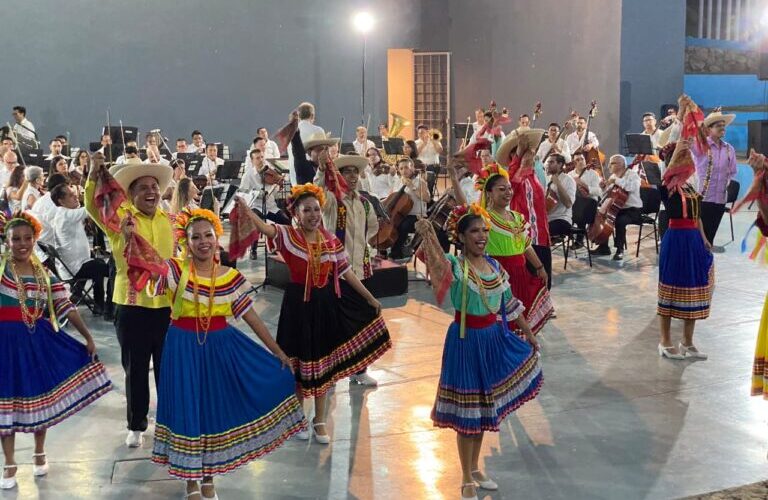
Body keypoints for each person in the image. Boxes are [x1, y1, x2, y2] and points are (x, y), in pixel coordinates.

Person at [145, 209, 305, 499]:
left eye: (208, 235)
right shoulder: (176, 270)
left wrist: (278, 351)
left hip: (220, 348)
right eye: (196, 237)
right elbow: (149, 274)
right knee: (189, 408)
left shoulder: (230, 277)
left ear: (217, 237)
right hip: (182, 348)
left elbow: (253, 319)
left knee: (212, 409)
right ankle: (191, 481)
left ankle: (209, 476)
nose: (203, 241)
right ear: (186, 241)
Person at [235, 184, 392, 443]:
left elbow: (345, 272)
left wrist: (369, 297)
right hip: (297, 307)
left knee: (322, 364)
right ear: (296, 213)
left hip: (325, 306)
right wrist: (246, 210)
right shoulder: (287, 235)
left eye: (316, 209)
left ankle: (320, 420)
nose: (313, 214)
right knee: (297, 363)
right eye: (306, 210)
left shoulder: (330, 241)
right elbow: (264, 228)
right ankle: (298, 417)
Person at [413, 204, 542, 500]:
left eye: (484, 231)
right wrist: (428, 234)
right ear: (461, 236)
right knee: (468, 413)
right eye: (474, 231)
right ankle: (465, 476)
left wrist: (530, 333)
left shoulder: (495, 267)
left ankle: (474, 467)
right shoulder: (455, 266)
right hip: (466, 341)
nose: (482, 236)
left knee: (484, 409)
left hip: (492, 338)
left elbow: (509, 304)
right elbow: (433, 261)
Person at [0, 211, 111, 490]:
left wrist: (87, 336)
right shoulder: (1, 270)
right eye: (16, 239)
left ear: (35, 238)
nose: (22, 243)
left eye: (27, 238)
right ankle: (9, 462)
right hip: (5, 344)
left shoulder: (44, 274)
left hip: (39, 341)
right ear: (7, 240)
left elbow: (66, 306)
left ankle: (39, 452)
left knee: (41, 397)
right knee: (6, 404)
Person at [85, 152, 174, 448]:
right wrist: (93, 173)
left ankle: (170, 422)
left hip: (167, 306)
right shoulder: (119, 220)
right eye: (143, 188)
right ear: (131, 195)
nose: (151, 192)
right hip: (131, 305)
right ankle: (136, 424)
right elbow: (92, 206)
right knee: (135, 368)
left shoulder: (169, 221)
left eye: (154, 187)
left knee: (167, 368)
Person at [450, 161, 553, 335]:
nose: (508, 193)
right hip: (498, 273)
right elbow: (464, 207)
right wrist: (454, 179)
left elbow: (526, 246)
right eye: (501, 189)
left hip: (520, 272)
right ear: (489, 193)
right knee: (502, 320)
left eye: (509, 188)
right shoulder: (485, 217)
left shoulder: (517, 217)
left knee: (520, 316)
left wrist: (539, 267)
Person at [315, 155, 381, 386]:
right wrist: (322, 174)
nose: (353, 176)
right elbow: (317, 198)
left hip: (361, 272)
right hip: (336, 273)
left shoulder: (364, 203)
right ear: (339, 176)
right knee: (332, 322)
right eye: (347, 172)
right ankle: (329, 371)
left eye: (355, 172)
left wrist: (362, 245)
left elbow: (373, 227)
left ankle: (359, 370)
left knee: (362, 322)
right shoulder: (333, 201)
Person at [655, 139, 714, 360]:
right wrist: (679, 146)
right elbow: (669, 172)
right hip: (676, 239)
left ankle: (688, 342)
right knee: (670, 290)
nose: (688, 160)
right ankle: (664, 341)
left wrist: (704, 238)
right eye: (683, 157)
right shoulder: (667, 185)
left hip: (693, 239)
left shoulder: (690, 186)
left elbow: (696, 216)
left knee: (693, 288)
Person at [495, 128, 554, 289]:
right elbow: (511, 185)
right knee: (529, 278)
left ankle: (542, 309)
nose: (531, 154)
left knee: (543, 276)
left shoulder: (535, 174)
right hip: (524, 235)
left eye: (530, 152)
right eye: (526, 152)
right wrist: (519, 154)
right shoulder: (511, 177)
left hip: (541, 233)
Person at [51, 184, 111, 315]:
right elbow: (89, 209)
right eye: (71, 195)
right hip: (75, 267)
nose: (76, 197)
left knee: (98, 264)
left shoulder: (63, 213)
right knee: (110, 270)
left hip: (73, 264)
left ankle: (97, 303)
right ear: (61, 201)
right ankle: (106, 307)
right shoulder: (66, 215)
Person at [691, 110, 738, 249]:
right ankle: (698, 265)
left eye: (723, 125)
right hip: (703, 199)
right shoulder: (700, 146)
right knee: (699, 238)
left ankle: (705, 267)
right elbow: (688, 138)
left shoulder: (729, 149)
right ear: (709, 129)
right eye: (718, 125)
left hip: (720, 200)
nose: (722, 128)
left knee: (710, 237)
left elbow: (732, 171)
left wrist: (725, 182)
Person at [239, 148, 289, 259]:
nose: (261, 160)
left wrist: (278, 186)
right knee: (256, 221)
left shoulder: (271, 172)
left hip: (271, 206)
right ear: (252, 161)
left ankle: (284, 247)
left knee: (286, 221)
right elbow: (243, 192)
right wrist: (258, 193)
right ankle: (253, 250)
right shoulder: (248, 176)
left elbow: (275, 193)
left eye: (262, 157)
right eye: (257, 158)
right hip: (256, 205)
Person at [593, 155, 643, 261]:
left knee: (619, 221)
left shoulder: (633, 175)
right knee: (604, 217)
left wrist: (615, 181)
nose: (609, 166)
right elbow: (607, 196)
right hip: (617, 208)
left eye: (612, 163)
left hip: (632, 210)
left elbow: (630, 187)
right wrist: (603, 188)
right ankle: (604, 247)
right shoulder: (613, 176)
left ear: (621, 164)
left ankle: (619, 250)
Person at [390, 158, 430, 260]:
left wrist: (412, 186)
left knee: (402, 226)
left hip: (416, 215)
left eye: (406, 167)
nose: (404, 170)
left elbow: (427, 198)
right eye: (401, 168)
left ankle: (395, 254)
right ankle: (385, 250)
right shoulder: (398, 181)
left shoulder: (420, 181)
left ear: (412, 168)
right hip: (401, 214)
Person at [545, 154, 577, 244]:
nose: (548, 164)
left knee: (540, 230)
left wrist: (558, 184)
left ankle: (543, 256)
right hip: (547, 218)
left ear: (560, 164)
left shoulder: (569, 180)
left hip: (562, 219)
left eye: (551, 162)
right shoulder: (547, 179)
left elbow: (568, 204)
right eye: (548, 162)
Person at [415, 124, 443, 195]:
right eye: (419, 133)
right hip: (420, 167)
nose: (420, 134)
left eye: (422, 132)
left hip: (433, 166)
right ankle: (421, 193)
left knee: (429, 174)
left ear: (427, 132)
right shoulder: (416, 142)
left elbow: (440, 150)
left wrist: (433, 141)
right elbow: (415, 154)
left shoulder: (435, 140)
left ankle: (428, 194)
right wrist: (424, 143)